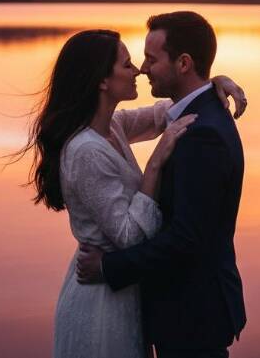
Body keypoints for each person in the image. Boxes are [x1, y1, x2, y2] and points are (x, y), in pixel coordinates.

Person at [14, 27, 247, 358]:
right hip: (102, 302)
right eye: (127, 64)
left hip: (123, 288)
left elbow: (166, 112)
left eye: (144, 61)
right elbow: (128, 236)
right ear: (102, 81)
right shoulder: (86, 151)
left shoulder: (113, 127)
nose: (138, 69)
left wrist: (212, 83)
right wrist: (154, 166)